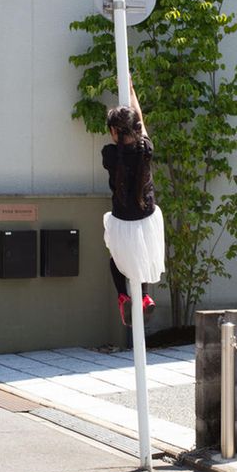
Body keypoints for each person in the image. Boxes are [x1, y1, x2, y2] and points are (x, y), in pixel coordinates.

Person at [101, 83, 165, 326]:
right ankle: (145, 296)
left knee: (116, 259)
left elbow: (130, 130)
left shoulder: (109, 154)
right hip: (147, 218)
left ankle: (122, 295)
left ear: (115, 132)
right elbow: (139, 122)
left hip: (122, 220)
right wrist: (130, 88)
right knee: (143, 255)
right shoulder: (145, 149)